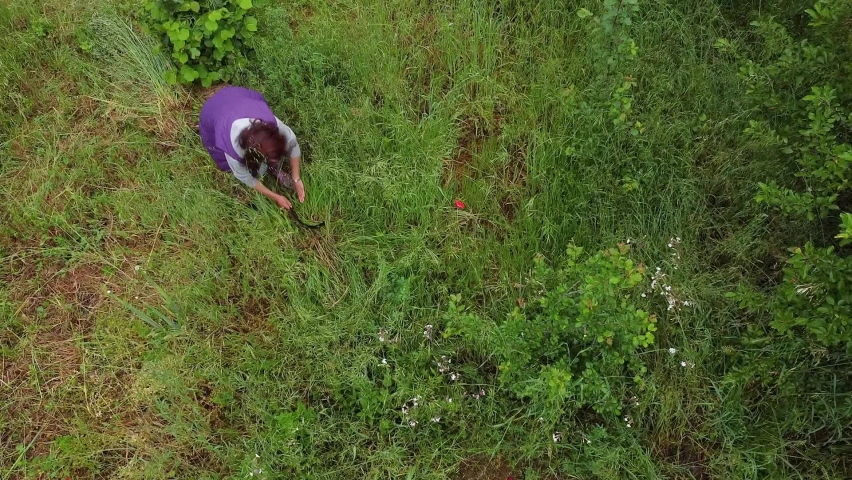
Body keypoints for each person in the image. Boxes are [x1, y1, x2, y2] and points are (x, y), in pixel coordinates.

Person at [199, 86, 305, 210]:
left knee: (267, 161)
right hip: (213, 112)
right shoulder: (232, 149)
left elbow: (292, 143)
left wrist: (296, 178)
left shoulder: (271, 125)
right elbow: (246, 177)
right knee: (255, 169)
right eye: (271, 158)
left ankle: (273, 168)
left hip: (235, 97)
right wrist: (275, 197)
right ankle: (264, 167)